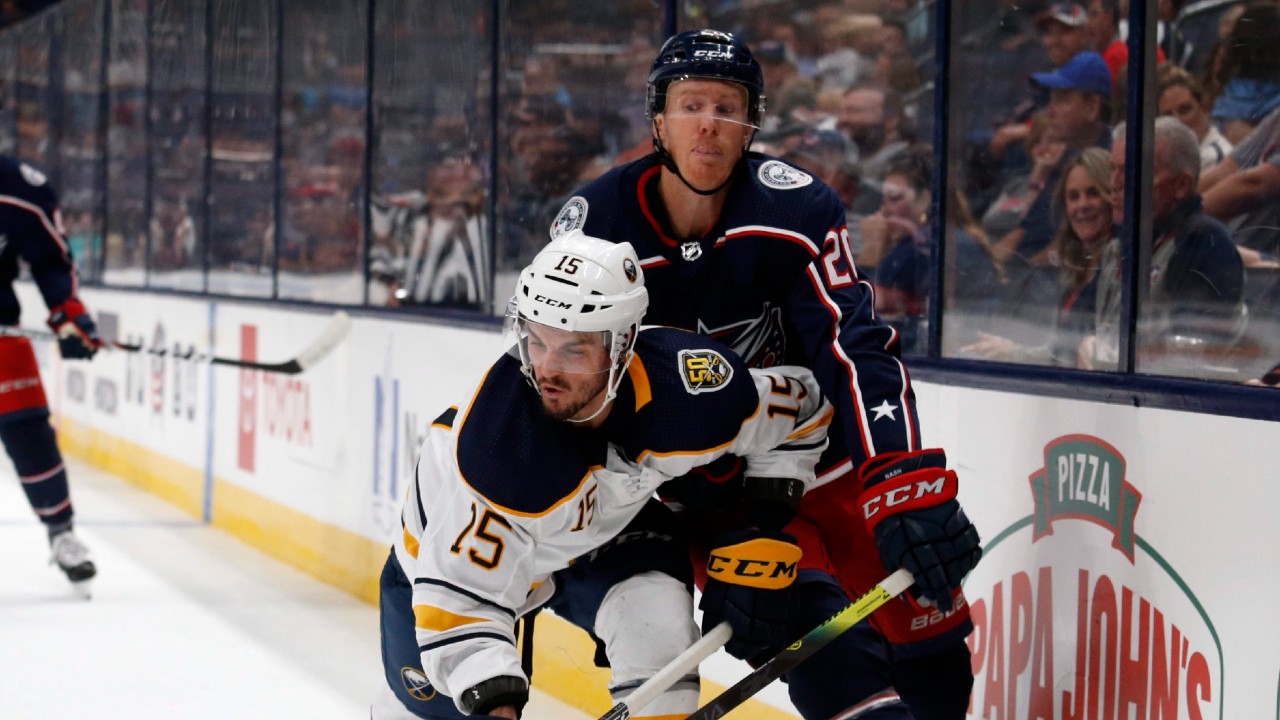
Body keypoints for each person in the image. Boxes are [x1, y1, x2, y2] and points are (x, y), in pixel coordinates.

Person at [549, 29, 982, 720]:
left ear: (752, 121)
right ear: (658, 120)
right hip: (709, 488)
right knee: (828, 654)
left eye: (729, 105)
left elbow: (856, 347)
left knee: (937, 659)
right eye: (692, 104)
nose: (710, 124)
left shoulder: (796, 209)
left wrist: (898, 476)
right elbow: (561, 379)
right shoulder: (595, 228)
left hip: (826, 462)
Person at [374, 230, 834, 719]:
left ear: (623, 346)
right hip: (443, 573)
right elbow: (460, 607)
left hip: (608, 533)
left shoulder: (692, 395)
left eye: (573, 350)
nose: (546, 369)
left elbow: (801, 408)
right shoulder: (499, 455)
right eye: (535, 340)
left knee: (661, 637)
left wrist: (762, 526)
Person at [0, 155, 102, 595]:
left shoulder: (16, 184)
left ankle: (61, 532)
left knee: (28, 430)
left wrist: (68, 314)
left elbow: (51, 260)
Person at [1082, 119, 1245, 371]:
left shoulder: (1204, 242)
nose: (1115, 183)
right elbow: (1080, 331)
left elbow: (1192, 354)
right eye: (1113, 169)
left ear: (1181, 185)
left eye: (1132, 171)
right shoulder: (1118, 248)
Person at [962, 148, 1116, 367]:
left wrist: (1016, 353)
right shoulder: (1074, 268)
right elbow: (1059, 351)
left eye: (1093, 193)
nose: (1082, 205)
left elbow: (1089, 356)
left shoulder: (1117, 267)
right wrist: (1009, 350)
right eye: (1073, 197)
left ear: (1112, 196)